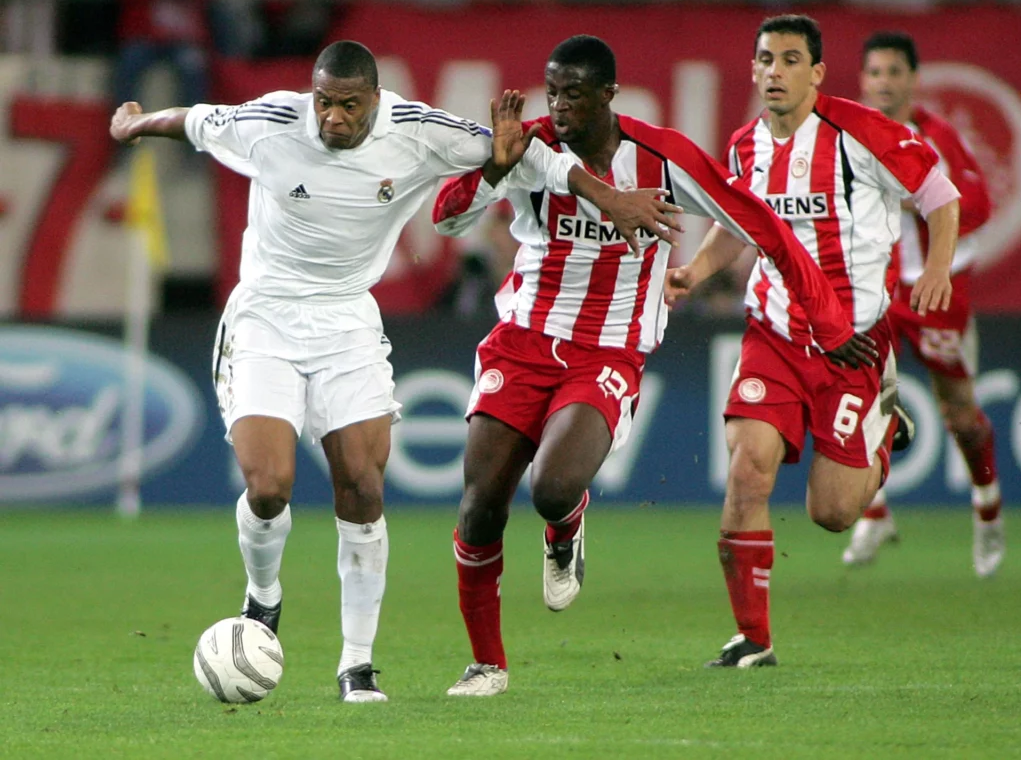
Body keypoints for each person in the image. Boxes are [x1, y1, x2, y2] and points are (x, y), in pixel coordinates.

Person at [108, 39, 682, 702]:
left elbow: (529, 154)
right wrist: (135, 124)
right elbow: (195, 119)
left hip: (348, 324)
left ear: (375, 101)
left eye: (349, 106)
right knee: (269, 488)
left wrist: (604, 197)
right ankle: (263, 597)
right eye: (324, 103)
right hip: (265, 318)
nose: (333, 119)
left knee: (362, 487)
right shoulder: (269, 124)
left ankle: (357, 665)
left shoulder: (418, 132)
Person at [432, 34, 875, 696]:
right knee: (478, 509)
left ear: (609, 96)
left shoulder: (663, 158)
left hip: (607, 350)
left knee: (550, 487)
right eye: (551, 92)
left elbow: (766, 229)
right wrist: (493, 169)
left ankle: (566, 525)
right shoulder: (526, 147)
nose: (558, 107)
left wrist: (829, 323)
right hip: (522, 340)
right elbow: (446, 220)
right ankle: (487, 664)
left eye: (574, 94)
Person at [664, 14, 961, 668]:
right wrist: (694, 272)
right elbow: (738, 226)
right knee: (747, 470)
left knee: (831, 512)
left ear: (818, 72)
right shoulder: (745, 146)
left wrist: (936, 267)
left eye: (791, 59)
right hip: (772, 333)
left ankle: (883, 434)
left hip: (852, 343)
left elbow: (940, 195)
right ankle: (754, 638)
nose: (775, 71)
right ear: (752, 69)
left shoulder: (865, 133)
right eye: (766, 59)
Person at [844, 30, 1003, 577]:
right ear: (863, 80)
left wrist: (923, 205)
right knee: (852, 396)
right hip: (874, 288)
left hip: (934, 290)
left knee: (958, 410)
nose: (884, 82)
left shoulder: (938, 138)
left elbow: (976, 205)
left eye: (894, 72)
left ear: (912, 78)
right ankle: (875, 513)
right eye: (875, 72)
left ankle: (987, 512)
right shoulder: (849, 136)